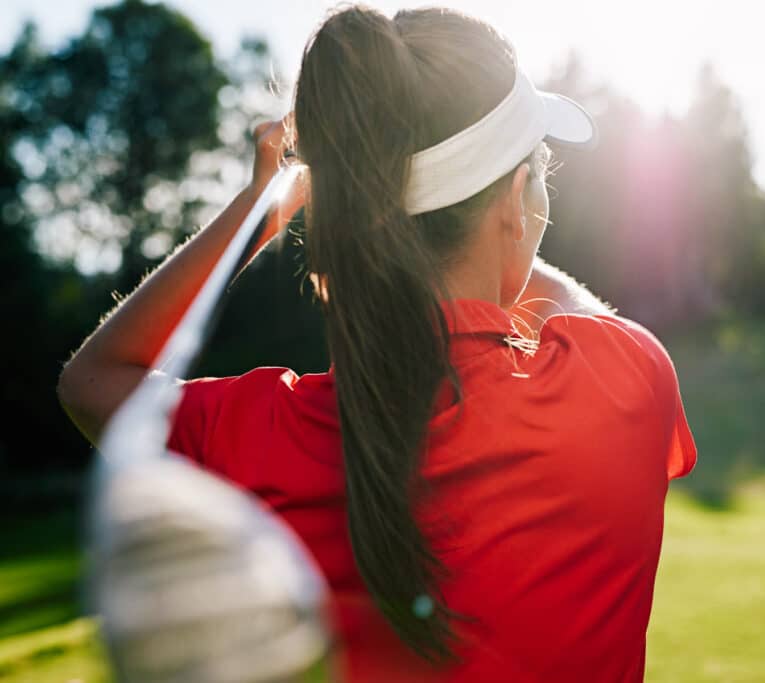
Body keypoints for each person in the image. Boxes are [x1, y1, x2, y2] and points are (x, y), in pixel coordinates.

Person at [57, 4, 697, 681]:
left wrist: (262, 207)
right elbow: (574, 310)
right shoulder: (624, 381)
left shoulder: (259, 435)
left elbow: (92, 378)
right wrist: (395, 208)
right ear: (515, 199)